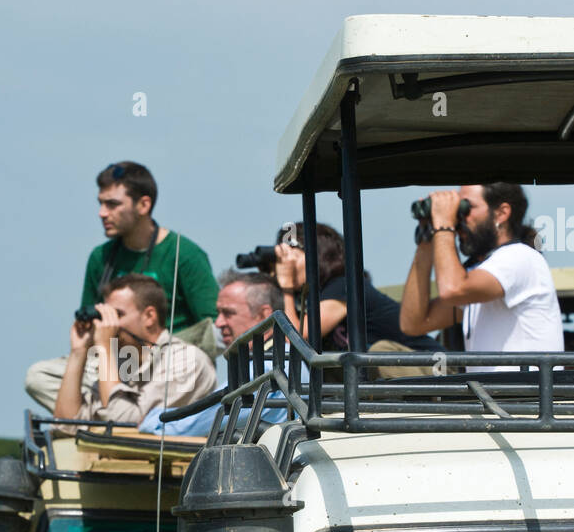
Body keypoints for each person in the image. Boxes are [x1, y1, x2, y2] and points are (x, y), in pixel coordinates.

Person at [26, 161, 219, 412]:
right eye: (100, 203)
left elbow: (216, 332)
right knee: (38, 376)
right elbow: (90, 324)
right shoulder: (101, 257)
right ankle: (112, 411)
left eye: (113, 204)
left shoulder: (184, 255)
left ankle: (105, 413)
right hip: (114, 357)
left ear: (143, 205)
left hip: (164, 361)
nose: (102, 213)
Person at [399, 182, 563, 365]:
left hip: (526, 393)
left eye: (466, 208)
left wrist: (443, 226)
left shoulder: (520, 257)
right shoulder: (481, 274)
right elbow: (413, 324)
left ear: (501, 213)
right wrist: (426, 241)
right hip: (498, 393)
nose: (458, 218)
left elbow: (452, 289)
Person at [137, 270, 291, 435]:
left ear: (263, 315)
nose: (218, 323)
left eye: (228, 313)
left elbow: (193, 427)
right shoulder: (284, 361)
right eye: (218, 313)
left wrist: (150, 419)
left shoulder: (264, 370)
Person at [274, 221, 440, 375]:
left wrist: (286, 286)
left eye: (291, 257)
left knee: (377, 352)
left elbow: (295, 339)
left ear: (319, 255)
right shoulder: (310, 300)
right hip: (399, 376)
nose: (285, 265)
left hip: (435, 369)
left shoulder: (345, 286)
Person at [53, 273, 217, 426]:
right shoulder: (117, 363)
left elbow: (123, 423)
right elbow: (65, 425)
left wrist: (104, 348)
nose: (110, 324)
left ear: (149, 317)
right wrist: (78, 352)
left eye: (117, 314)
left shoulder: (187, 361)